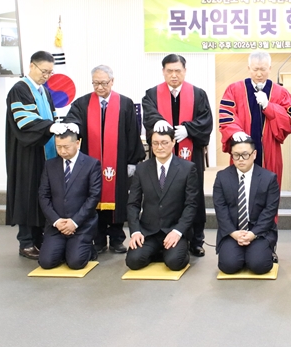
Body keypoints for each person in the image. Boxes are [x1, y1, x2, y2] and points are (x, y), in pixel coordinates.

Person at [65, 65, 145, 255]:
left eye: (103, 83)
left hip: (118, 163)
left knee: (118, 200)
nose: (99, 87)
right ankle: (98, 239)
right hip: (90, 164)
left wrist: (132, 161)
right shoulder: (82, 104)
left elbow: (132, 133)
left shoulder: (124, 103)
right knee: (93, 199)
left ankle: (117, 239)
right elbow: (73, 122)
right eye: (95, 83)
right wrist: (72, 125)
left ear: (112, 81)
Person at [5, 51, 77, 259]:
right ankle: (26, 242)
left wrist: (60, 126)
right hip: (27, 153)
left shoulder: (44, 91)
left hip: (45, 152)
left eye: (50, 72)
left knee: (42, 195)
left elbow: (52, 117)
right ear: (32, 66)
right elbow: (24, 120)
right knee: (27, 194)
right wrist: (49, 127)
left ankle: (38, 238)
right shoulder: (20, 89)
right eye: (43, 71)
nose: (46, 76)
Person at [142, 54, 212, 257]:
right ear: (163, 71)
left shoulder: (198, 94)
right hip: (162, 156)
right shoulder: (152, 94)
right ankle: (161, 236)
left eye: (178, 71)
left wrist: (188, 129)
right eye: (169, 71)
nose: (174, 75)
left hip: (190, 156)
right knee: (162, 193)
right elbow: (149, 115)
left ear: (185, 71)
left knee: (193, 194)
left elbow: (206, 121)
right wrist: (158, 122)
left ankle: (196, 240)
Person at [218, 50, 291, 187]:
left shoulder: (281, 92)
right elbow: (226, 114)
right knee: (241, 190)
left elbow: (289, 121)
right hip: (242, 150)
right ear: (249, 68)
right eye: (255, 69)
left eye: (263, 69)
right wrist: (235, 132)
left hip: (270, 150)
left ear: (270, 68)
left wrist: (268, 106)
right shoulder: (234, 89)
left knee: (268, 190)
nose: (259, 74)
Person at [125, 129, 198, 271]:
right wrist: (135, 232)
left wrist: (178, 231)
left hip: (173, 229)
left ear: (173, 142)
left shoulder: (187, 168)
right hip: (149, 231)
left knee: (175, 262)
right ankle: (157, 251)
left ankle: (178, 249)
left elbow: (191, 205)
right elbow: (133, 204)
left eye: (164, 143)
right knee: (133, 262)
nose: (160, 147)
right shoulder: (142, 169)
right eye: (155, 143)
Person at [213, 137, 280, 275]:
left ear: (254, 154)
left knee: (259, 266)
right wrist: (233, 233)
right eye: (236, 155)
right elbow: (220, 209)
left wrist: (253, 234)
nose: (240, 159)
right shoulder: (222, 177)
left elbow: (270, 211)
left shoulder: (269, 178)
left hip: (259, 231)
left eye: (245, 155)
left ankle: (256, 252)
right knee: (228, 266)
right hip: (232, 231)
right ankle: (241, 254)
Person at [38, 129, 101, 270]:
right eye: (58, 147)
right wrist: (56, 221)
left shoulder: (91, 164)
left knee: (75, 263)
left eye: (66, 147)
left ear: (77, 143)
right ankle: (63, 249)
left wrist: (75, 222)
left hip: (81, 225)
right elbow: (43, 195)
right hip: (57, 225)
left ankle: (87, 249)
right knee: (46, 262)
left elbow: (93, 197)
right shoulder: (50, 165)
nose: (62, 151)